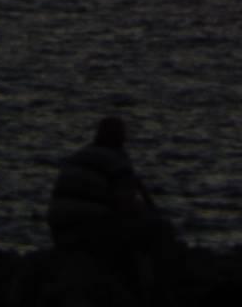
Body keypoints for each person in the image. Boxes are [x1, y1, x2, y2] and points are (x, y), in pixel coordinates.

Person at [47, 117, 178, 300]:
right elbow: (125, 205)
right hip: (90, 230)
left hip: (59, 230)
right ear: (122, 138)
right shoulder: (117, 162)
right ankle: (152, 291)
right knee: (155, 232)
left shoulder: (79, 156)